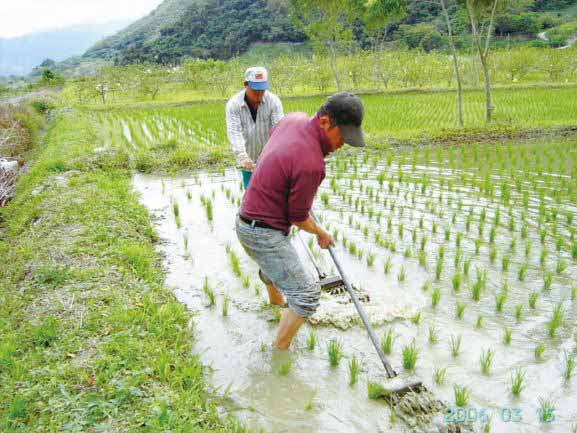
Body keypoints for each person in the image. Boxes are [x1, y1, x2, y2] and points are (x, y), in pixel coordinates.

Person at [235, 92, 365, 350]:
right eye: (343, 136)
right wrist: (321, 233)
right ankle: (279, 354)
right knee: (306, 295)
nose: (343, 145)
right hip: (262, 232)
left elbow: (276, 148)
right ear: (326, 122)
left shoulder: (292, 119)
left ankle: (275, 307)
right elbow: (298, 217)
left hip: (247, 218)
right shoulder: (311, 163)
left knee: (276, 266)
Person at [226, 66, 284, 189]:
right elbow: (234, 132)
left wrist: (275, 155)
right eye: (255, 90)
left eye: (262, 90)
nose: (259, 94)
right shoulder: (234, 105)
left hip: (270, 156)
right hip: (248, 158)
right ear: (245, 85)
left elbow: (279, 131)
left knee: (274, 191)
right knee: (251, 192)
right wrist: (243, 157)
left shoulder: (273, 102)